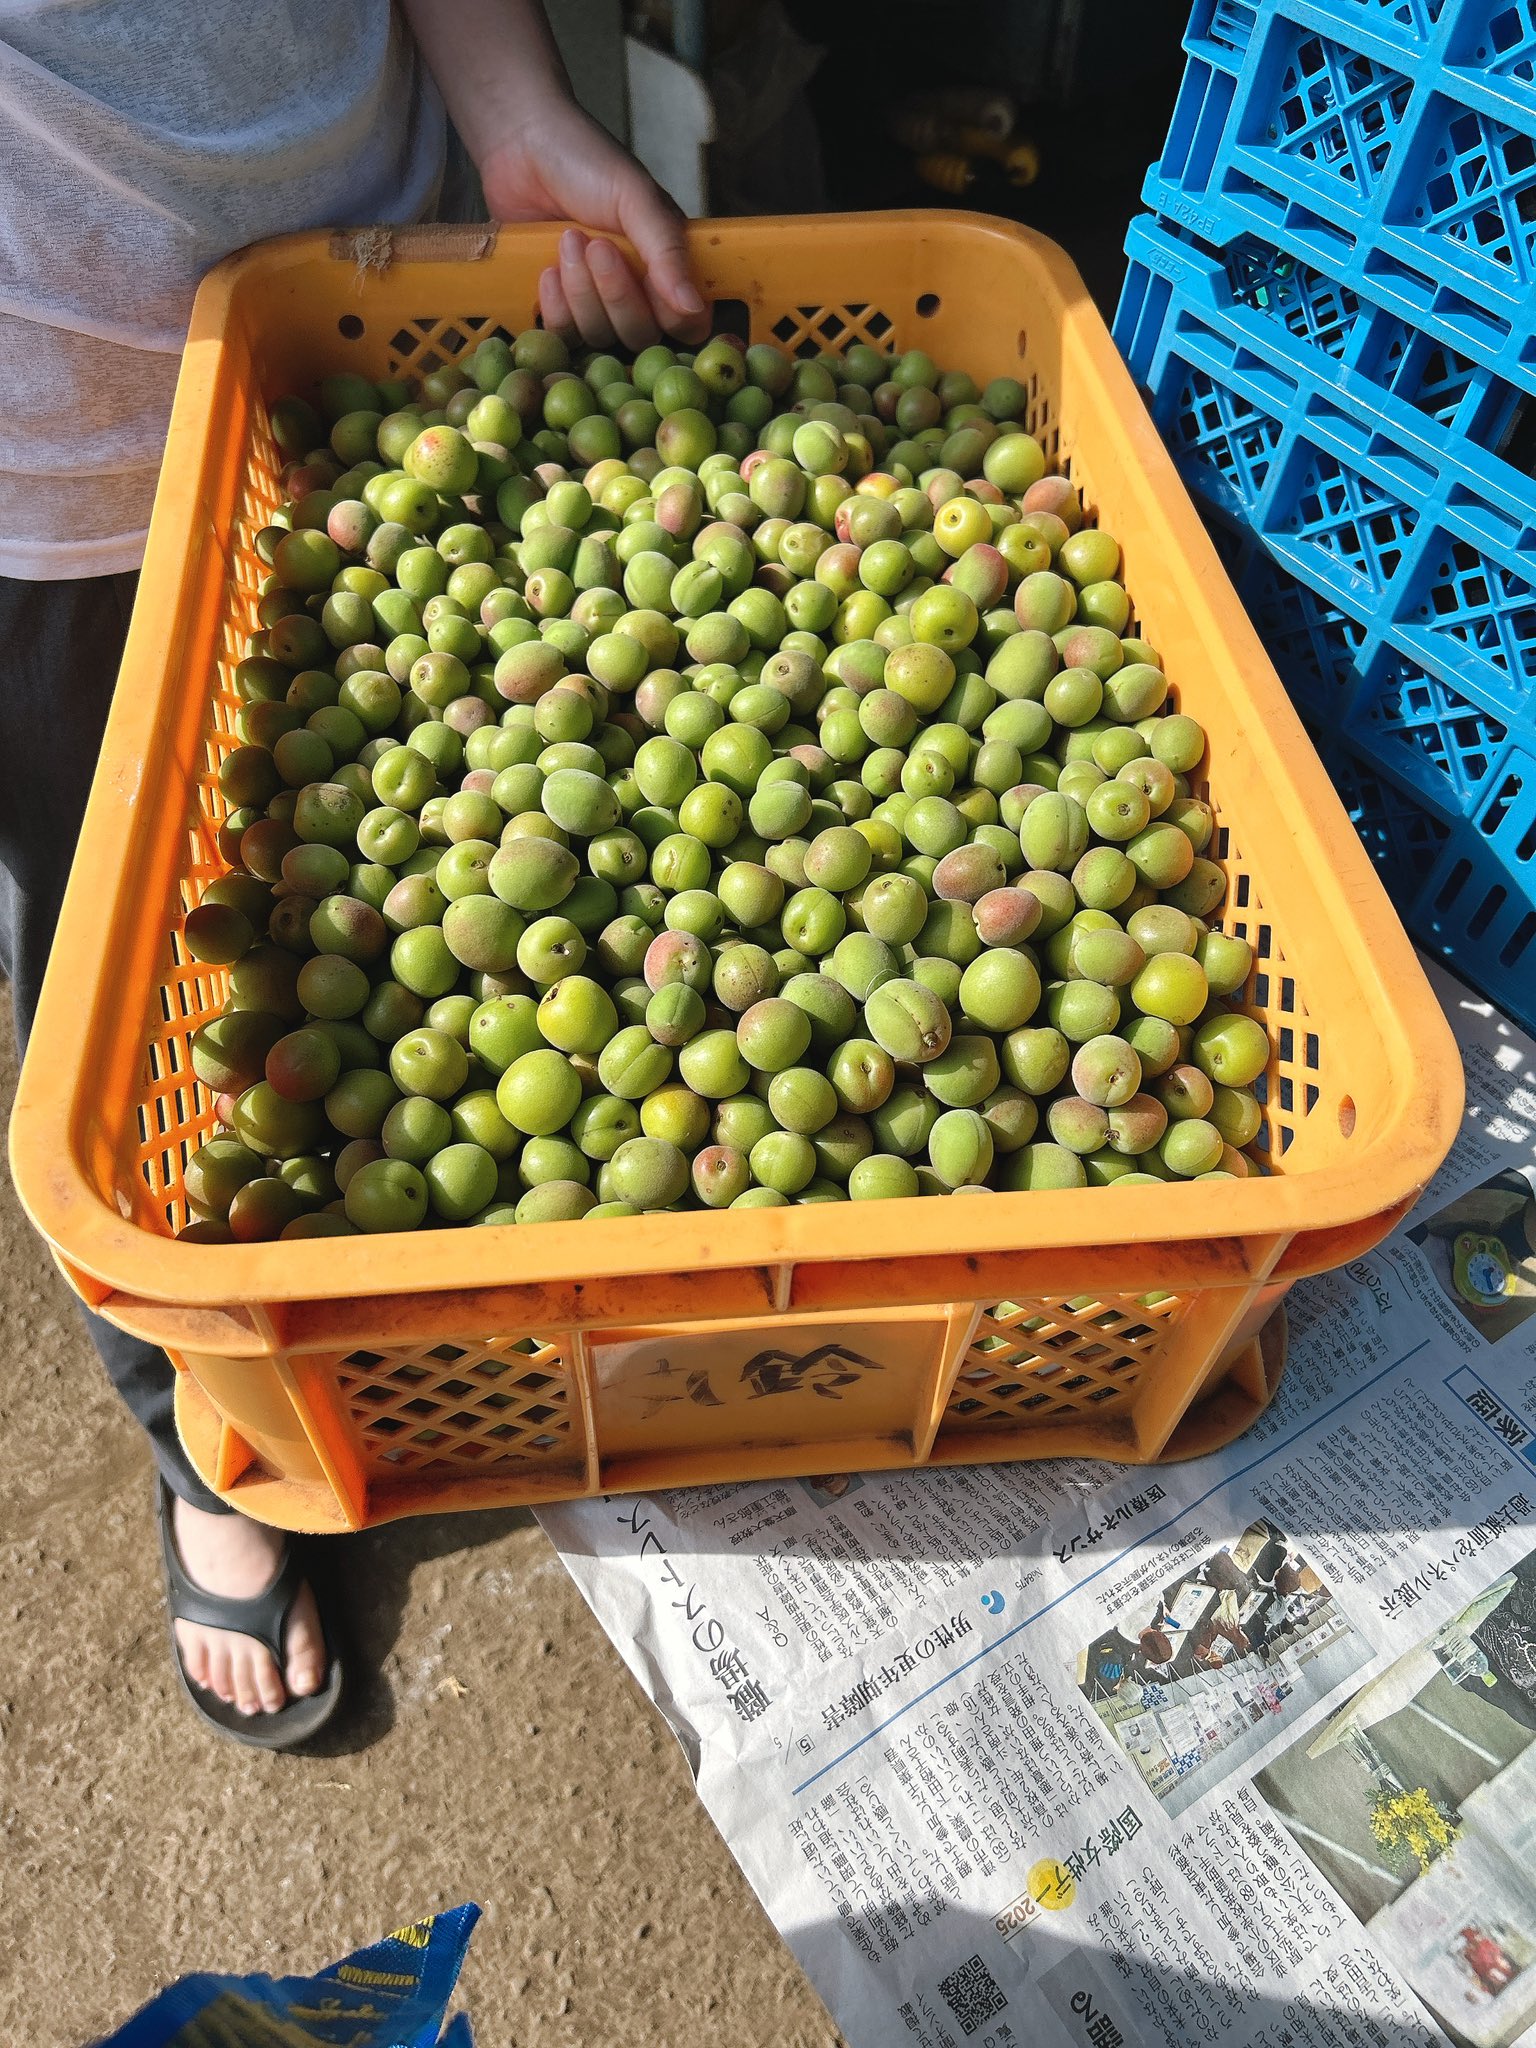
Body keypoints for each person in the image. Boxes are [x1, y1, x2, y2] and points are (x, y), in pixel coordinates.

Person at [0, 0, 705, 1747]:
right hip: (37, 473)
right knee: (104, 1001)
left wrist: (512, 101)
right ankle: (211, 1446)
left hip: (376, 306)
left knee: (270, 975)